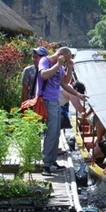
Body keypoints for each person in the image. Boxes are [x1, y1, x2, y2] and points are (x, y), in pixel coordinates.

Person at [37, 46, 86, 176]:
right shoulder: (45, 61)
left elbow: (64, 83)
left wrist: (69, 68)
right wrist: (59, 64)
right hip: (47, 101)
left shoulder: (60, 66)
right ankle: (46, 165)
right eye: (65, 61)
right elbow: (44, 75)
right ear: (59, 55)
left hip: (55, 102)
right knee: (51, 132)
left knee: (56, 132)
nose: (64, 63)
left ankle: (52, 161)